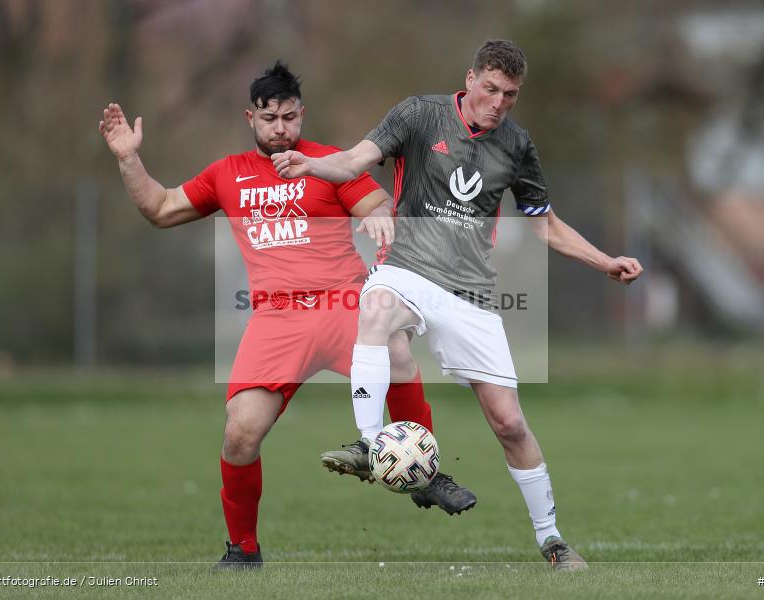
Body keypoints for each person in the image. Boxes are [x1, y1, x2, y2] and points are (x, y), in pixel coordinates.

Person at [272, 40, 643, 570]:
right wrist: (310, 166)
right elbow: (357, 159)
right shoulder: (421, 115)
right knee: (375, 309)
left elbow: (544, 223)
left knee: (510, 423)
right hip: (408, 267)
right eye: (489, 89)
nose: (497, 103)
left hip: (470, 291)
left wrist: (604, 261)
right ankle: (371, 443)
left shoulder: (516, 145)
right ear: (469, 79)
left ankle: (553, 540)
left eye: (509, 95)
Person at [98, 62, 475, 570]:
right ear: (250, 116)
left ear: (302, 115)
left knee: (397, 351)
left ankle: (425, 475)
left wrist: (380, 221)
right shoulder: (225, 174)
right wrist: (128, 159)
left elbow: (378, 204)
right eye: (271, 118)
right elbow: (161, 208)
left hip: (344, 304)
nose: (282, 129)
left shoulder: (327, 163)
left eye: (291, 117)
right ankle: (243, 550)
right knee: (240, 432)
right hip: (277, 321)